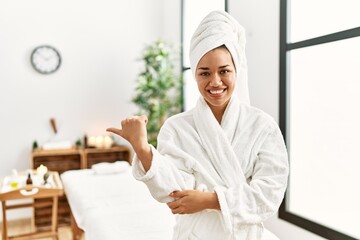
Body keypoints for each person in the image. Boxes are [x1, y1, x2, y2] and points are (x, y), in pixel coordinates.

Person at [107, 10, 289, 240]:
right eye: (205, 73)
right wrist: (142, 149)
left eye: (224, 71)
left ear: (237, 72)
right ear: (194, 75)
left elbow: (269, 195)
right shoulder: (176, 128)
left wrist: (210, 200)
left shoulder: (263, 126)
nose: (215, 82)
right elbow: (173, 193)